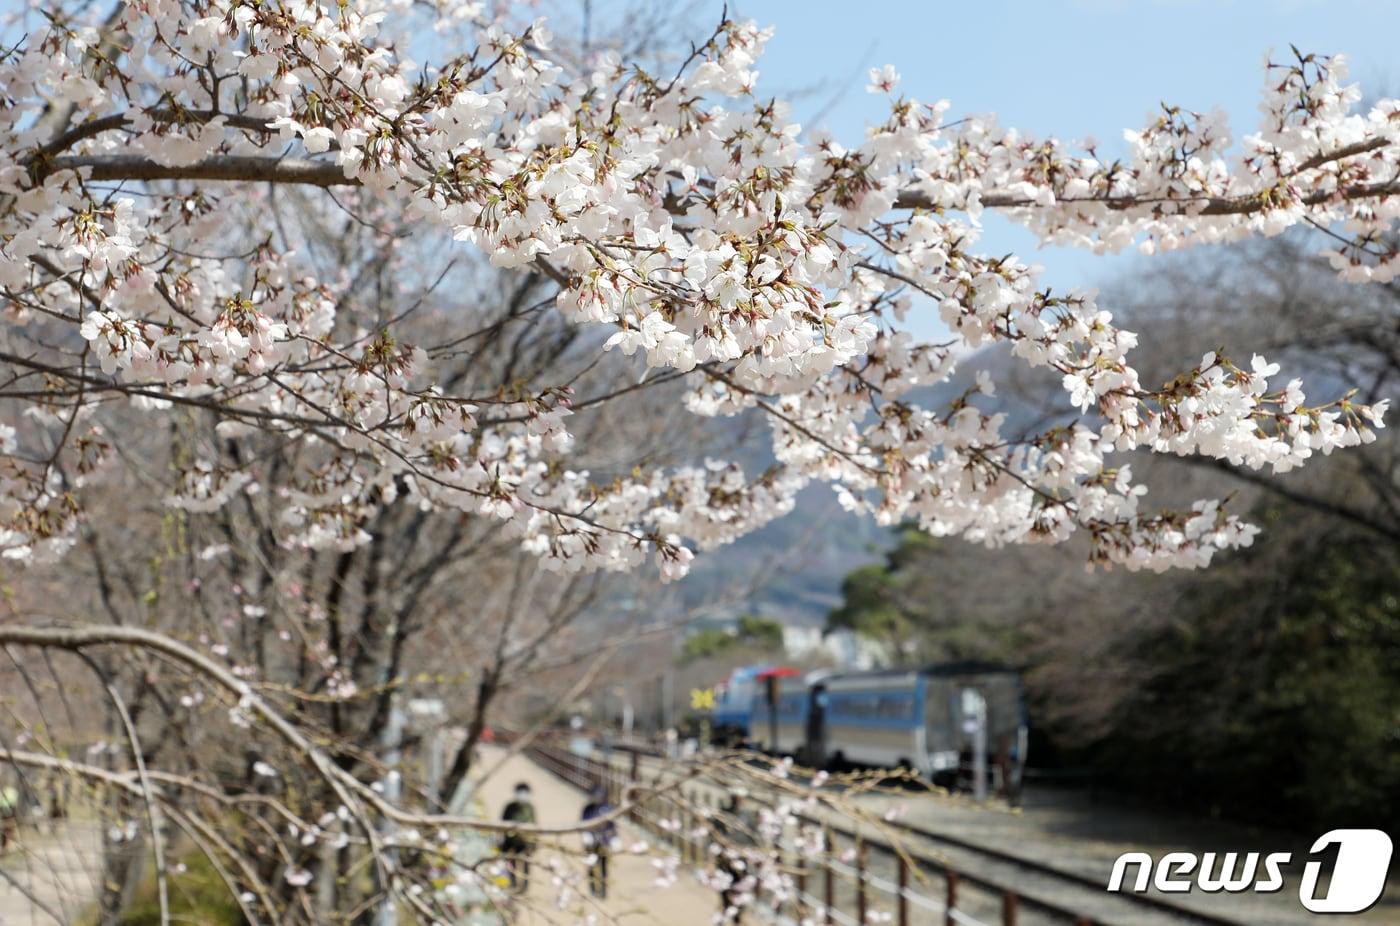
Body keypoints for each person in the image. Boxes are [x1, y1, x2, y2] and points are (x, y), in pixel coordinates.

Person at [580, 783, 617, 899]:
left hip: (604, 842)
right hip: (591, 844)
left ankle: (603, 890)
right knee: (591, 865)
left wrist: (615, 838)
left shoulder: (607, 809)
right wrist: (585, 834)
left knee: (604, 866)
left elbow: (612, 825)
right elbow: (583, 823)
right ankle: (592, 889)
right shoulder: (587, 809)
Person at [499, 782, 536, 893]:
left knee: (525, 865)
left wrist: (533, 842)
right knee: (512, 864)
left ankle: (524, 887)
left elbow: (534, 825)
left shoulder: (530, 808)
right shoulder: (509, 807)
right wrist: (501, 838)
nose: (522, 795)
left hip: (525, 842)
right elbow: (502, 823)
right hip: (511, 841)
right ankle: (513, 883)